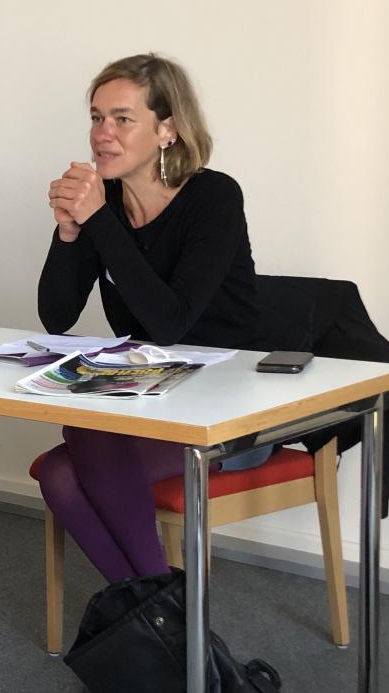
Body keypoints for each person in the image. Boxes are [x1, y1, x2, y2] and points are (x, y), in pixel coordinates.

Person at [36, 53, 266, 582]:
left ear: (168, 130)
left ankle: (157, 617)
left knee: (80, 446)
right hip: (154, 394)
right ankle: (162, 610)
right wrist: (70, 233)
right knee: (60, 468)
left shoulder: (214, 197)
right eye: (96, 117)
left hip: (231, 405)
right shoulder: (106, 204)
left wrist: (97, 221)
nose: (102, 134)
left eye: (122, 118)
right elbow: (56, 316)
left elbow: (170, 323)